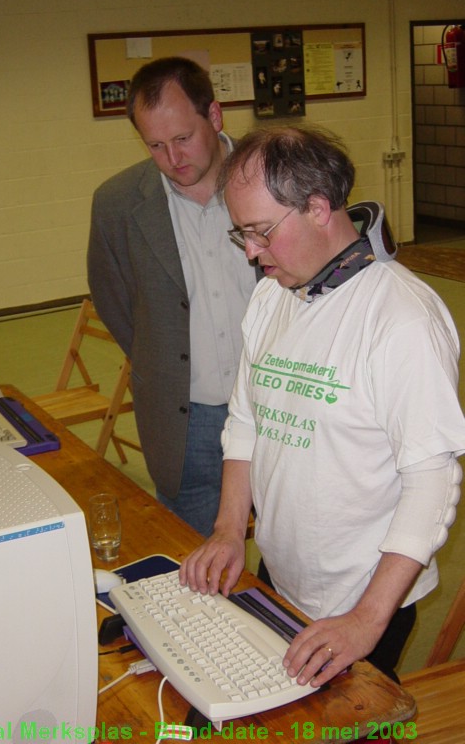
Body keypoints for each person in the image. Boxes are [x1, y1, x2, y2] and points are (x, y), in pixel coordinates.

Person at [180, 124, 465, 685]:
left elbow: (433, 482)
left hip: (365, 595)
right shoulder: (272, 296)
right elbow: (246, 422)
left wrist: (365, 619)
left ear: (317, 208)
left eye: (260, 232)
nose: (253, 255)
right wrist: (229, 529)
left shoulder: (402, 318)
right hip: (281, 572)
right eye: (242, 236)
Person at [87, 57, 259, 537]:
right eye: (156, 145)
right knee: (198, 564)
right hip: (188, 422)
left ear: (215, 116)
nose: (172, 158)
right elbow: (115, 302)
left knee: (296, 562)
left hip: (282, 410)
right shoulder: (117, 203)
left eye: (183, 138)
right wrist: (164, 364)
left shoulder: (275, 176)